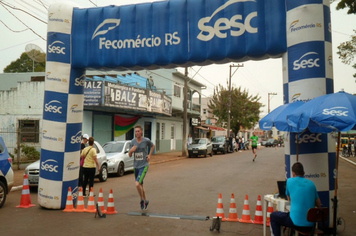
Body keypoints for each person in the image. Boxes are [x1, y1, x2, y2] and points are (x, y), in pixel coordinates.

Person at [270, 162, 321, 236]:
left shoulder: (289, 181)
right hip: (311, 225)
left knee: (274, 216)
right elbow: (319, 204)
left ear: (293, 173)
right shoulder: (312, 184)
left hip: (295, 223)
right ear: (304, 172)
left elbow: (289, 199)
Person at [129, 125, 155, 210]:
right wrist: (131, 151)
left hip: (144, 166)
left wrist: (149, 155)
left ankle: (142, 200)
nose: (137, 133)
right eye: (135, 131)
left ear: (141, 132)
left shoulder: (146, 140)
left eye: (138, 131)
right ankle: (146, 200)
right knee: (141, 185)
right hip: (136, 166)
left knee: (137, 184)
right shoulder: (132, 142)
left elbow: (153, 146)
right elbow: (129, 155)